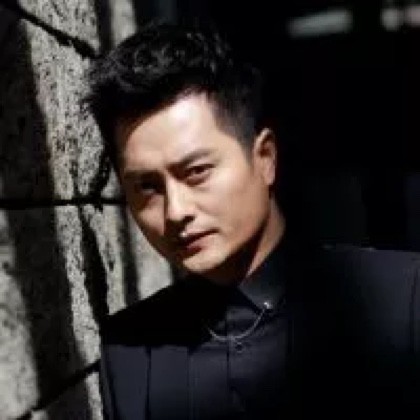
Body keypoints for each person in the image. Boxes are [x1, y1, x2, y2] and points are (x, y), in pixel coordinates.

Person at [87, 21, 420, 420]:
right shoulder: (130, 353)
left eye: (197, 172)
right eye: (147, 186)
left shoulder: (402, 298)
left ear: (265, 158)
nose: (176, 210)